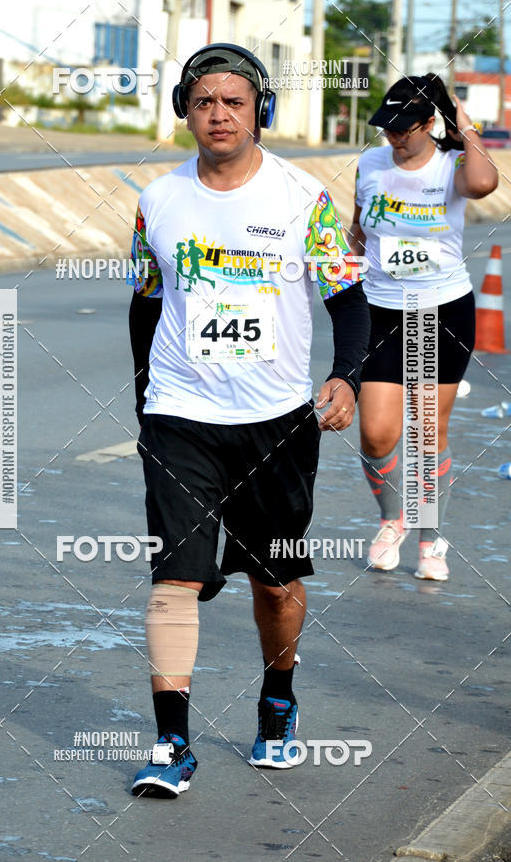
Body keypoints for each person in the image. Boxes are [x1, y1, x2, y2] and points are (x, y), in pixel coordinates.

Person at [128, 43, 370, 798]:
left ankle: (277, 700)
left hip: (275, 422)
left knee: (275, 578)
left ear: (259, 108)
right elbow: (147, 300)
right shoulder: (158, 199)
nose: (219, 113)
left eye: (234, 100)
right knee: (174, 577)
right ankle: (171, 743)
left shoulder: (303, 198)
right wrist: (145, 397)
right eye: (204, 101)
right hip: (181, 414)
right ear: (185, 112)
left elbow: (349, 301)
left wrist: (345, 375)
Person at [350, 73, 498, 581]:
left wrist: (466, 127)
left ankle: (431, 540)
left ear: (429, 123)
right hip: (380, 310)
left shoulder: (453, 164)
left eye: (403, 128)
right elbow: (358, 230)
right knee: (375, 434)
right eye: (386, 127)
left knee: (427, 431)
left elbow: (484, 184)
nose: (393, 136)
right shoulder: (369, 164)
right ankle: (393, 518)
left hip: (442, 310)